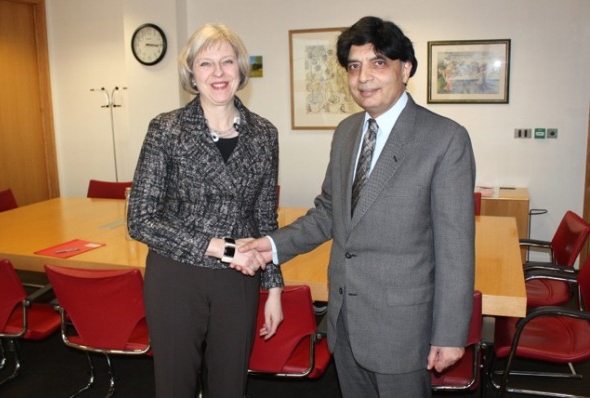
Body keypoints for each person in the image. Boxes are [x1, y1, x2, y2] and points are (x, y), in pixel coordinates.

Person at [239, 16, 475, 398]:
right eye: (354, 66)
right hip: (345, 321)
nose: (364, 76)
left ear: (406, 68)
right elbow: (329, 212)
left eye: (378, 63)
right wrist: (272, 245)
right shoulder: (347, 132)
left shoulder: (445, 139)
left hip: (402, 329)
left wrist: (449, 334)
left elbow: (455, 249)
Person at [127, 23, 283, 398]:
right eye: (206, 63)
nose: (218, 73)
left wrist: (274, 289)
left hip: (237, 281)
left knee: (231, 386)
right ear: (191, 74)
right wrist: (219, 246)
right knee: (175, 385)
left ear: (241, 70)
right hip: (176, 277)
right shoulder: (166, 129)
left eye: (227, 62)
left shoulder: (265, 134)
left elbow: (264, 218)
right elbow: (141, 220)